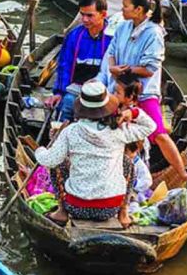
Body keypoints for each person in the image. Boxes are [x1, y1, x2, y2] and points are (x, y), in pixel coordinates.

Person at [33, 77, 156, 226]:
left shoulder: (71, 131)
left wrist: (39, 150)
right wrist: (134, 113)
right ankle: (123, 213)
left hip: (76, 207)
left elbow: (49, 160)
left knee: (58, 164)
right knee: (128, 163)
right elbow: (150, 126)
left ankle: (62, 212)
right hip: (111, 207)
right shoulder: (119, 131)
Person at [96, 0, 185, 176]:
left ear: (138, 9)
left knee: (159, 135)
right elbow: (111, 52)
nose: (122, 9)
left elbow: (150, 69)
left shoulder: (153, 33)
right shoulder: (123, 27)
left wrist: (126, 69)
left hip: (143, 92)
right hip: (118, 89)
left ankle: (182, 172)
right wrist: (112, 67)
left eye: (125, 6)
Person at [46, 0, 113, 118]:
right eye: (82, 14)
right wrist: (59, 92)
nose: (84, 19)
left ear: (103, 14)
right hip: (76, 89)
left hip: (103, 92)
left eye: (90, 15)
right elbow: (64, 66)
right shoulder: (74, 36)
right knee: (67, 103)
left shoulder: (113, 37)